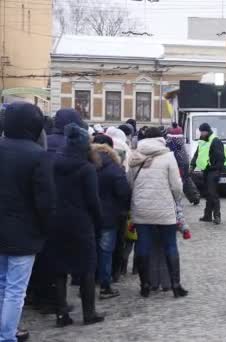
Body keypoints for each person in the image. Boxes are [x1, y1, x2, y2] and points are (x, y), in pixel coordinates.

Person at [0, 103, 55, 341]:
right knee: (16, 290)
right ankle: (7, 335)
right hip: (25, 233)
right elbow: (45, 200)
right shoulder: (37, 155)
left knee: (2, 285)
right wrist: (46, 228)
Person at [46, 123, 105, 327]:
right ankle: (89, 313)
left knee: (60, 269)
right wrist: (99, 221)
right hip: (81, 223)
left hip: (56, 221)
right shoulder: (86, 168)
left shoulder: (54, 163)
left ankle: (61, 314)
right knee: (87, 267)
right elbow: (93, 200)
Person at [129, 127, 188, 299]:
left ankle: (145, 285)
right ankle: (176, 286)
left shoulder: (135, 155)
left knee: (143, 245)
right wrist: (176, 199)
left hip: (141, 208)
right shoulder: (168, 156)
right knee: (170, 245)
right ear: (161, 139)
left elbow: (130, 182)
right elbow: (177, 186)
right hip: (164, 208)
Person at [91, 137, 130, 300]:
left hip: (89, 216)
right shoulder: (115, 169)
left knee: (90, 251)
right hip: (109, 216)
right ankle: (105, 286)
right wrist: (122, 210)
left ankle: (87, 284)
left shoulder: (87, 166)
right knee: (106, 252)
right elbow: (124, 193)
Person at [190, 123, 225, 225]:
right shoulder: (202, 140)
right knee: (207, 194)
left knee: (213, 193)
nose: (201, 133)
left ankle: (217, 216)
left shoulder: (215, 140)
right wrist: (192, 165)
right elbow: (197, 154)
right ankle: (207, 215)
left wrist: (217, 169)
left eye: (203, 131)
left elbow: (220, 157)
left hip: (214, 170)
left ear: (207, 130)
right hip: (206, 170)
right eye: (200, 131)